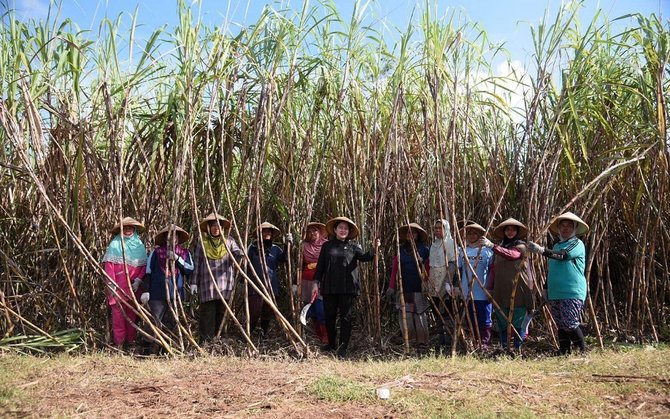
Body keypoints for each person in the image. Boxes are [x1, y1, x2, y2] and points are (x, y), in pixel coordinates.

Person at [313, 216, 379, 358]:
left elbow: (365, 257)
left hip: (347, 288)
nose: (343, 230)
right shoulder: (327, 246)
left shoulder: (354, 247)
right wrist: (315, 283)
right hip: (329, 288)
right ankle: (331, 345)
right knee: (329, 317)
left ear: (349, 232)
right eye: (340, 228)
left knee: (346, 318)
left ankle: (343, 348)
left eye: (346, 228)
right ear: (335, 230)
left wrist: (374, 249)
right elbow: (320, 266)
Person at [527, 211, 589, 355]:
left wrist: (541, 250)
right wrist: (545, 288)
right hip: (556, 291)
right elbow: (552, 269)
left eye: (568, 226)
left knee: (569, 322)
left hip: (572, 290)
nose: (565, 228)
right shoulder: (556, 246)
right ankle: (564, 352)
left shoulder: (576, 243)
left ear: (574, 228)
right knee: (560, 323)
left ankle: (583, 350)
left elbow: (563, 256)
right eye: (562, 226)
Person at [480, 218, 535, 350]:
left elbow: (512, 255)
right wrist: (489, 288)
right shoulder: (499, 248)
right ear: (504, 232)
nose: (510, 232)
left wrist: (492, 246)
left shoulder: (521, 246)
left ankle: (517, 349)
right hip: (501, 291)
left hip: (518, 291)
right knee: (503, 322)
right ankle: (505, 348)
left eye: (513, 229)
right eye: (507, 229)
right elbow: (493, 270)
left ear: (517, 232)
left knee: (518, 322)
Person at [191, 213, 243, 341]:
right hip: (207, 285)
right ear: (208, 228)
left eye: (219, 225)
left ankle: (219, 340)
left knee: (222, 313)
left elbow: (237, 253)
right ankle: (206, 341)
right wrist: (194, 283)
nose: (216, 228)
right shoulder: (202, 243)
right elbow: (197, 263)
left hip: (225, 285)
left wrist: (241, 254)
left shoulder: (229, 241)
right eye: (213, 225)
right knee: (207, 314)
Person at [141, 224, 194, 342]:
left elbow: (190, 269)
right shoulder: (156, 252)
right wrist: (146, 291)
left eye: (175, 236)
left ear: (178, 238)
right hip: (157, 294)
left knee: (172, 322)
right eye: (170, 236)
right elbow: (148, 272)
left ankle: (168, 347)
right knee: (154, 322)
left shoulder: (184, 253)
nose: (172, 238)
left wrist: (177, 258)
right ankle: (150, 349)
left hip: (175, 295)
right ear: (165, 238)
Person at [102, 217, 147, 348]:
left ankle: (131, 342)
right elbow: (109, 267)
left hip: (133, 289)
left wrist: (138, 280)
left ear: (134, 230)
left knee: (132, 316)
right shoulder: (114, 245)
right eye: (125, 228)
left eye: (130, 228)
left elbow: (144, 266)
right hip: (117, 287)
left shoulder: (139, 245)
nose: (127, 230)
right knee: (118, 317)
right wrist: (111, 285)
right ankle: (119, 343)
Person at [386, 223, 431, 345]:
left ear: (418, 235)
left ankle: (422, 342)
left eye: (414, 233)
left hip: (418, 287)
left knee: (420, 314)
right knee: (406, 315)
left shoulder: (424, 249)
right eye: (409, 233)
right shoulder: (401, 249)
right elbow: (395, 268)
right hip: (404, 287)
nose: (411, 235)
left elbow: (428, 268)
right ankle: (409, 341)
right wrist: (391, 287)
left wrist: (426, 284)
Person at [247, 222, 292, 336]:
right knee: (254, 311)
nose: (267, 233)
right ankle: (249, 333)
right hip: (255, 285)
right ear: (259, 233)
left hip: (271, 284)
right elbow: (246, 264)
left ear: (272, 234)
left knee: (267, 312)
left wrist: (288, 245)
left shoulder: (275, 249)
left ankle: (263, 333)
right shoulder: (252, 248)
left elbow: (285, 259)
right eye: (264, 231)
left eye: (269, 231)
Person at [457, 222, 494, 348]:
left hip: (482, 291)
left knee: (485, 319)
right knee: (471, 318)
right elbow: (458, 270)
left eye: (475, 233)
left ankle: (484, 343)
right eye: (470, 233)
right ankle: (474, 341)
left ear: (480, 236)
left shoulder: (487, 251)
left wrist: (491, 289)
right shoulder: (462, 251)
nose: (472, 235)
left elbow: (492, 271)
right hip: (467, 291)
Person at [294, 221, 329, 344]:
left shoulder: (326, 245)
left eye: (315, 230)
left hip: (321, 281)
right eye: (309, 231)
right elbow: (298, 265)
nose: (312, 233)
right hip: (306, 281)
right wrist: (295, 283)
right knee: (312, 310)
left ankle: (326, 336)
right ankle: (319, 336)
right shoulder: (304, 246)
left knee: (321, 309)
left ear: (320, 232)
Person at [428, 219, 457, 349]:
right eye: (435, 228)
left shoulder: (450, 244)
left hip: (445, 281)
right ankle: (441, 339)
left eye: (440, 228)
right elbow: (430, 265)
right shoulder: (434, 246)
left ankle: (449, 339)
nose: (437, 231)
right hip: (434, 280)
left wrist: (447, 283)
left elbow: (453, 264)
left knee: (447, 310)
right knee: (436, 310)